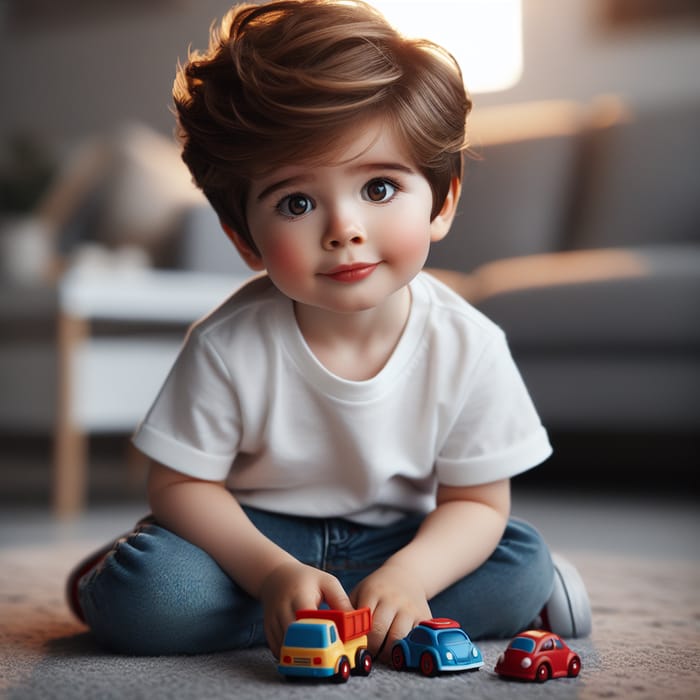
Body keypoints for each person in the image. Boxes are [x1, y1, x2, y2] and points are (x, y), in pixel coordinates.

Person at [66, 0, 591, 660]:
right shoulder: (228, 345)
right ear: (244, 239)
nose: (343, 228)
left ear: (443, 201)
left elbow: (479, 505)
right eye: (297, 202)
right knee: (149, 595)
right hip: (254, 540)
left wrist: (410, 576)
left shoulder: (469, 345)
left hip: (402, 540)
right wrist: (272, 574)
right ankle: (318, 610)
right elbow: (179, 486)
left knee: (519, 560)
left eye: (378, 188)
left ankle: (342, 615)